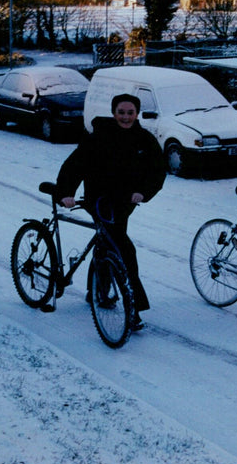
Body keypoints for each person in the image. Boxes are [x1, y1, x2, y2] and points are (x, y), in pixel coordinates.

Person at [56, 93, 166, 331]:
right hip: (99, 199)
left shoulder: (144, 140)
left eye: (130, 112)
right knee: (122, 248)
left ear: (137, 114)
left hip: (124, 202)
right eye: (121, 112)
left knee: (108, 242)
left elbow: (157, 171)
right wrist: (65, 192)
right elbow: (75, 165)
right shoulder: (99, 137)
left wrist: (144, 192)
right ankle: (132, 308)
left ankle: (98, 289)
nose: (125, 117)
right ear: (113, 112)